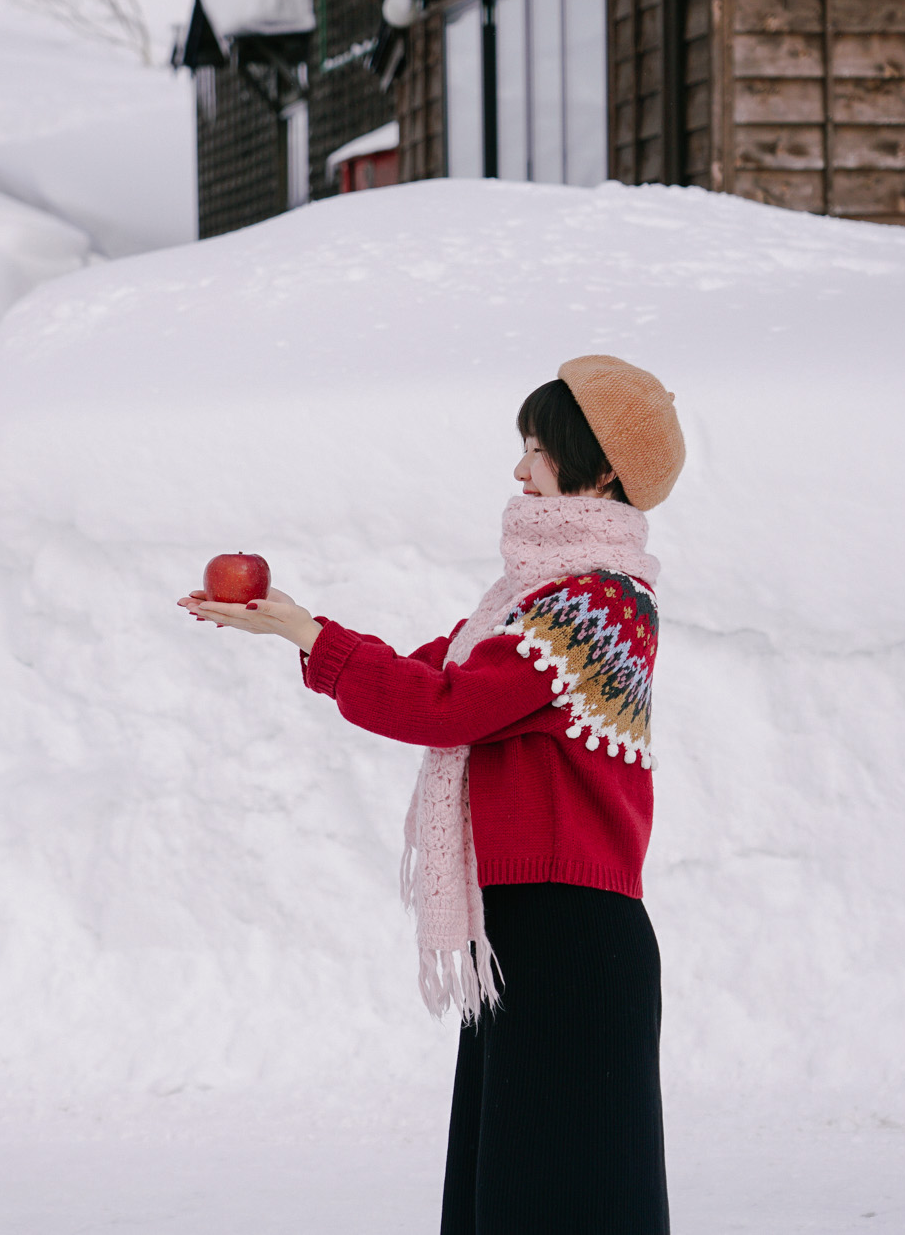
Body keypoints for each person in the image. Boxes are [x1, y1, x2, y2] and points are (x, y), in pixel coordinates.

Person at [179, 354, 685, 1235]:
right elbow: (432, 675)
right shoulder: (528, 601)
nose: (520, 470)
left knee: (557, 1205)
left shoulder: (597, 606)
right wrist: (300, 631)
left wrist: (308, 633)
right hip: (527, 928)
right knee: (508, 1199)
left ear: (599, 469)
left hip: (571, 937)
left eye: (535, 448)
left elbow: (445, 708)